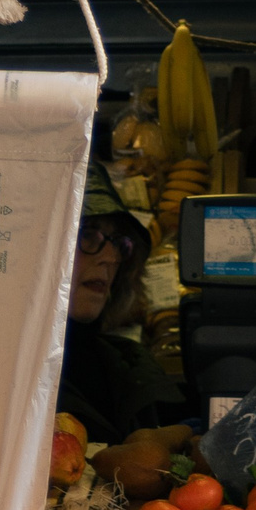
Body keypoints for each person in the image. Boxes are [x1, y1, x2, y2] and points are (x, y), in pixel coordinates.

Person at [58, 171, 177, 445]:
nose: (111, 258)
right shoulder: (7, 372)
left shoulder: (127, 362)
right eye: (88, 235)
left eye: (119, 244)